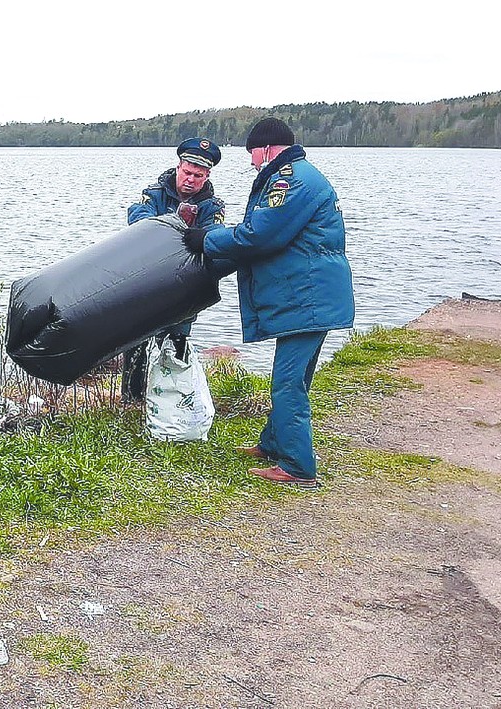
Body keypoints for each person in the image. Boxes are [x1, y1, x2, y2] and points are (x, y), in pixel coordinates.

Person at [181, 117, 354, 488]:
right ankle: (273, 444)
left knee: (287, 383)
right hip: (312, 296)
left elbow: (261, 235)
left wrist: (206, 241)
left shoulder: (290, 180)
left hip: (308, 299)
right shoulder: (298, 176)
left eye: (252, 153)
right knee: (294, 379)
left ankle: (297, 466)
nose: (252, 162)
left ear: (266, 148)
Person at [122, 137, 227, 400]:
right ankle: (131, 399)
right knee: (135, 343)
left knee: (176, 344)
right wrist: (176, 226)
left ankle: (170, 400)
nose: (191, 180)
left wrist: (199, 235)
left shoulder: (212, 206)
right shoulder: (154, 193)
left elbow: (215, 235)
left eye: (198, 175)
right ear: (179, 167)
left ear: (207, 175)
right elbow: (138, 218)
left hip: (183, 285)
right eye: (188, 173)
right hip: (148, 282)